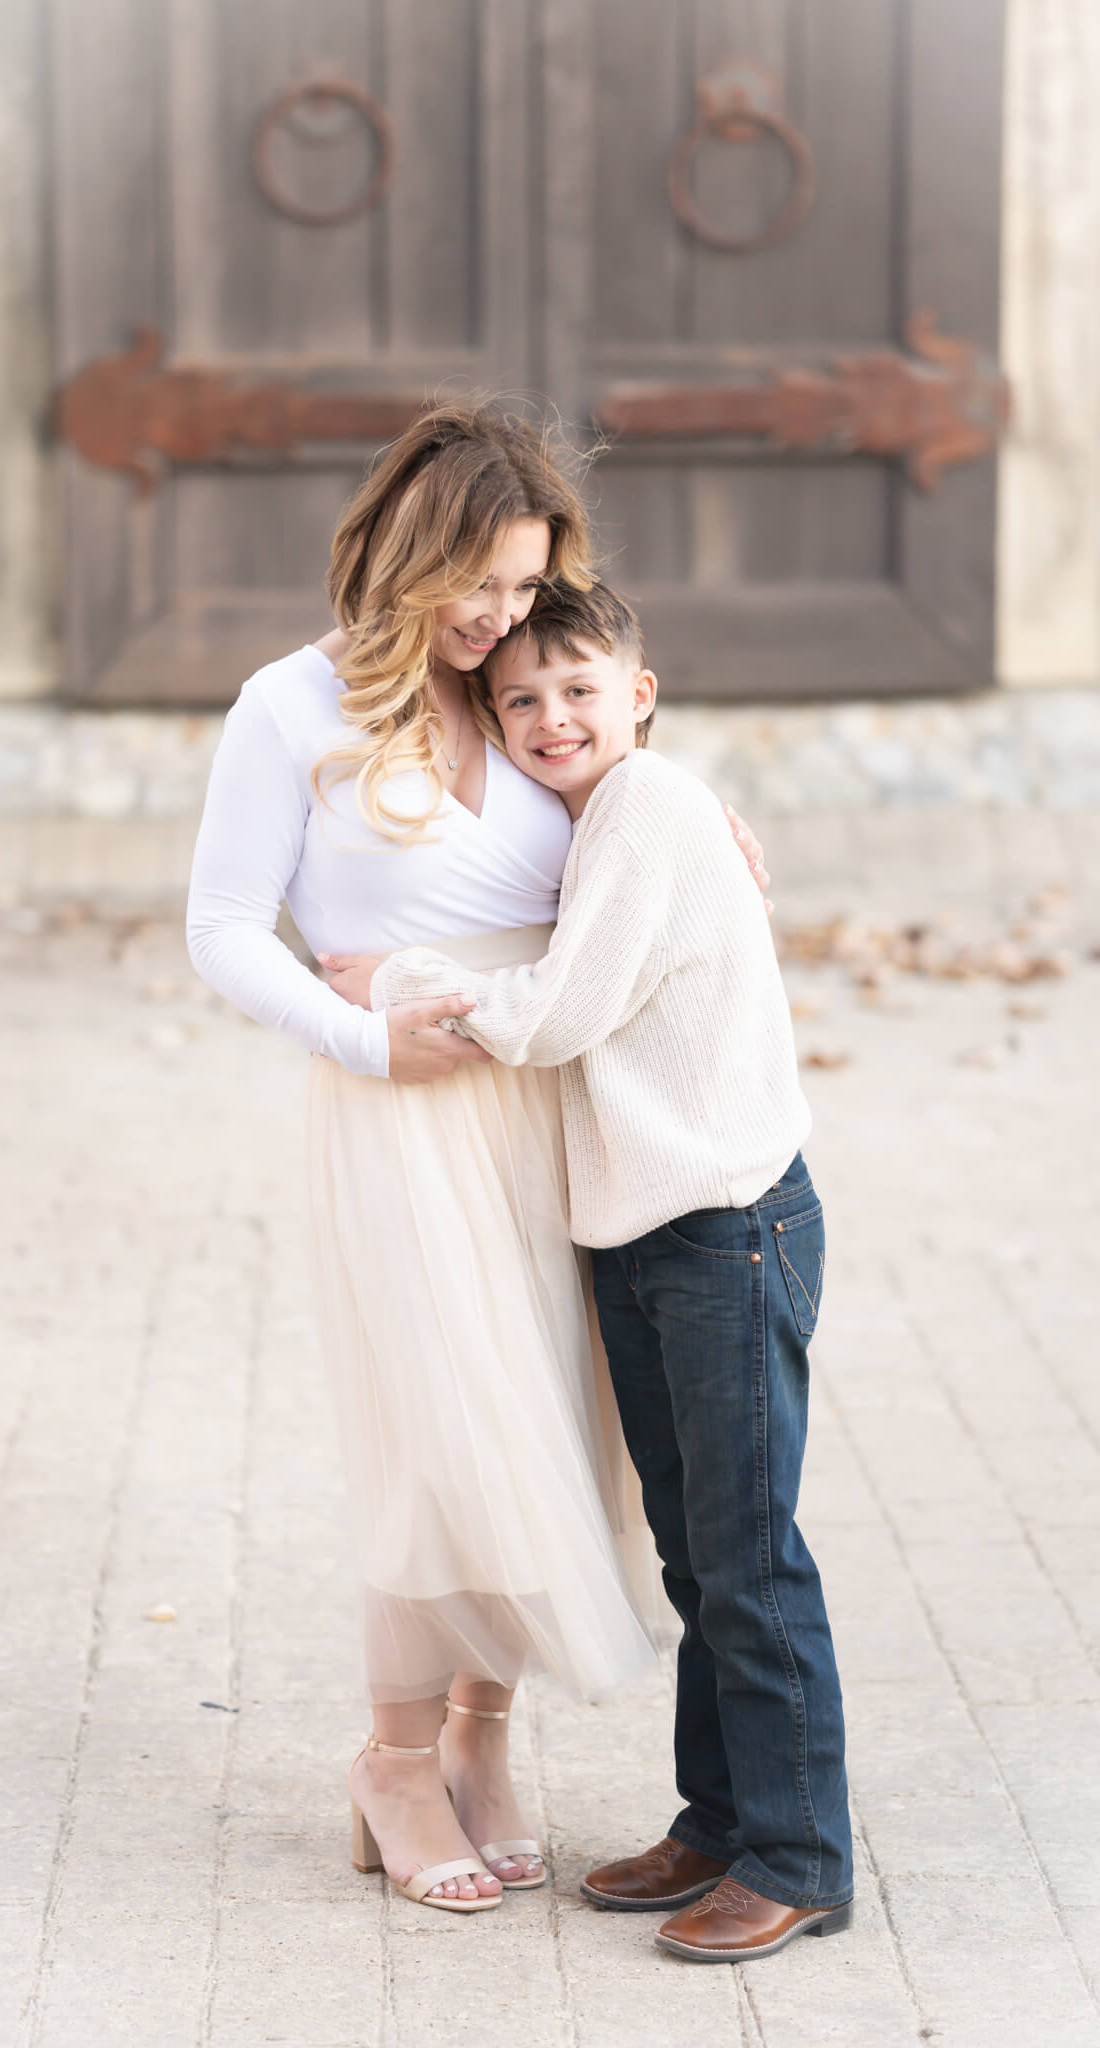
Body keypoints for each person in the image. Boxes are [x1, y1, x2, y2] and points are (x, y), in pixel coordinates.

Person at [185, 406, 769, 1915]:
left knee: (549, 1430)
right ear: (403, 544)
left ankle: (480, 1737)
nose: (497, 619)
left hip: (552, 1100)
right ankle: (391, 1759)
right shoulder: (286, 708)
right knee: (439, 1437)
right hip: (399, 1112)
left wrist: (699, 814)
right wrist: (365, 1033)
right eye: (477, 581)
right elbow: (225, 930)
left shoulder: (514, 686)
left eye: (522, 587)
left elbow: (609, 778)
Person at [322, 580, 853, 1961]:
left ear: (642, 693)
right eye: (520, 700)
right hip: (646, 1228)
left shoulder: (653, 810)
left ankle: (799, 1854)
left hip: (727, 1223)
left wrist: (404, 983)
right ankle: (721, 1821)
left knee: (746, 1555)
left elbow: (559, 1012)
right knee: (692, 1550)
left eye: (579, 689)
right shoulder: (602, 819)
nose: (552, 716)